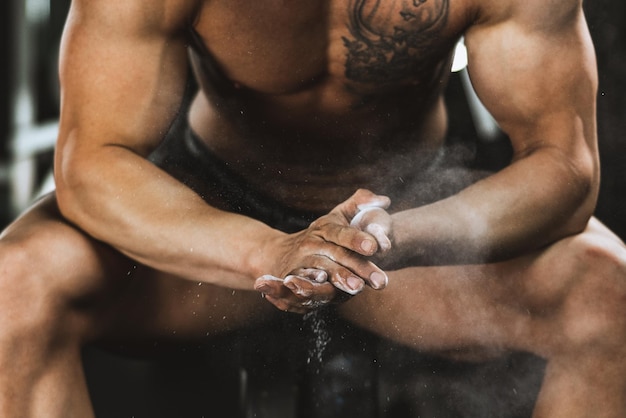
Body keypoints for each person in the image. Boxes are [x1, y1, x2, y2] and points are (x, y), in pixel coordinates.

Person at [0, 0, 625, 416]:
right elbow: (92, 163)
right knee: (16, 283)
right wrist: (266, 249)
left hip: (401, 226)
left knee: (606, 291)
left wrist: (396, 237)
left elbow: (565, 163)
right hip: (211, 221)